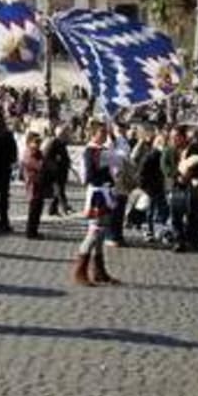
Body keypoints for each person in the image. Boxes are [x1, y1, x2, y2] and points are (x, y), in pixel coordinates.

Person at [72, 119, 120, 286]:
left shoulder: (102, 150)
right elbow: (90, 175)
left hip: (104, 192)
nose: (104, 135)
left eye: (105, 132)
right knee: (94, 232)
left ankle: (99, 271)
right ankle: (80, 271)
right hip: (97, 194)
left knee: (100, 234)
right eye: (101, 132)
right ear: (93, 134)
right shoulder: (92, 151)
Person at [21, 131, 46, 239]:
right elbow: (38, 165)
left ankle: (34, 230)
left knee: (38, 208)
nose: (38, 143)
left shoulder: (37, 152)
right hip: (33, 183)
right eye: (36, 141)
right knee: (34, 209)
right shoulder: (29, 152)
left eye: (39, 141)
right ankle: (30, 231)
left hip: (38, 182)